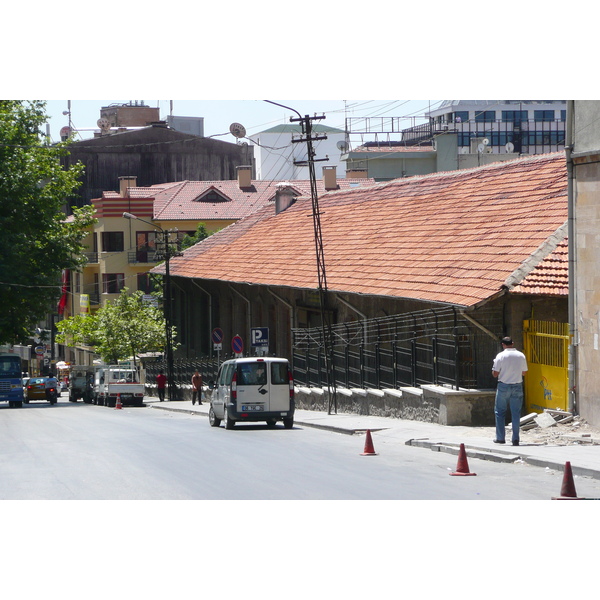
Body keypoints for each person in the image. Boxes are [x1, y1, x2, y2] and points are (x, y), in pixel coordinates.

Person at [492, 336, 528, 446]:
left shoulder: (500, 356)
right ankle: (515, 438)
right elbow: (524, 372)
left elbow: (495, 374)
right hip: (517, 386)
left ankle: (500, 438)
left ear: (503, 344)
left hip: (503, 386)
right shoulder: (521, 355)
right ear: (512, 343)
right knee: (516, 413)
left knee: (500, 412)